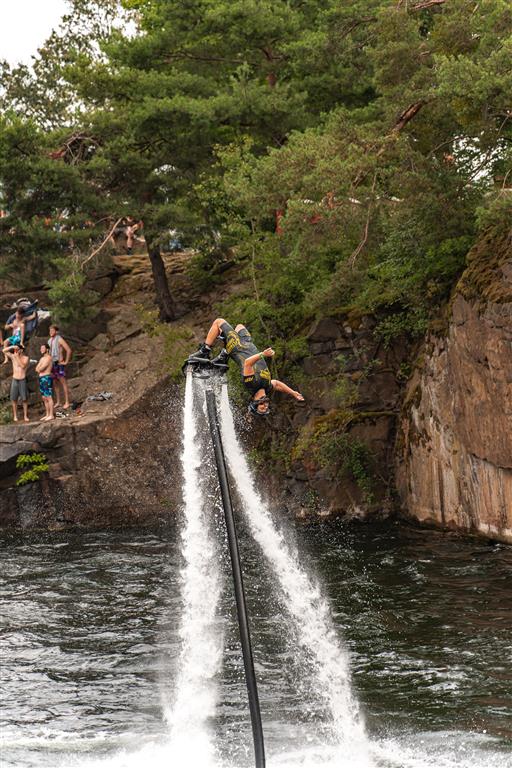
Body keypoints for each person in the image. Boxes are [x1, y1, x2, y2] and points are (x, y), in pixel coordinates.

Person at [193, 318, 305, 416]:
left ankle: (205, 350)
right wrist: (293, 393)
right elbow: (277, 384)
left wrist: (263, 354)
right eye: (265, 408)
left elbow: (247, 363)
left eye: (262, 408)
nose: (265, 406)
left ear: (255, 402)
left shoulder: (251, 384)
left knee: (218, 322)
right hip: (247, 342)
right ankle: (224, 352)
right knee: (240, 326)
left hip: (237, 347)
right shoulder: (267, 387)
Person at [48, 325, 72, 409]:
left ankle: (67, 402)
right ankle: (58, 401)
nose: (51, 332)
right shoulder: (49, 341)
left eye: (52, 330)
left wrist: (66, 361)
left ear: (56, 331)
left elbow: (68, 350)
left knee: (63, 382)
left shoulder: (60, 339)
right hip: (53, 364)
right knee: (55, 383)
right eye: (50, 330)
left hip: (59, 363)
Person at [5, 346, 30, 422]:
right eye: (15, 350)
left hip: (22, 379)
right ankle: (15, 416)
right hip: (15, 379)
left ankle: (25, 416)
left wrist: (17, 357)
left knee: (24, 399)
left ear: (21, 350)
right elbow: (4, 350)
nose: (16, 351)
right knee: (14, 399)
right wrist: (13, 346)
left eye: (17, 349)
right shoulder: (13, 356)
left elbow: (22, 366)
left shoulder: (26, 358)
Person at [36, 344, 55, 422]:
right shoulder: (42, 358)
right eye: (41, 348)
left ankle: (51, 415)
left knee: (48, 396)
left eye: (43, 348)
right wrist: (39, 368)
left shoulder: (49, 358)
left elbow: (42, 368)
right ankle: (47, 414)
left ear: (47, 349)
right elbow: (36, 368)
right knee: (44, 397)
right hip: (41, 378)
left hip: (46, 378)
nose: (41, 349)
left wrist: (39, 368)